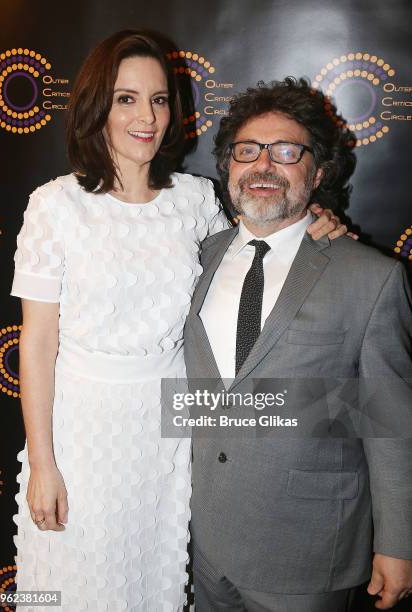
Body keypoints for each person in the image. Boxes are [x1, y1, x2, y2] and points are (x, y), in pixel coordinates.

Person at [10, 32, 345, 612]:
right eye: (126, 99)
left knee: (150, 582)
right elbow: (37, 345)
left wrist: (316, 220)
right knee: (65, 587)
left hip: (168, 436)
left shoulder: (195, 200)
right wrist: (43, 463)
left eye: (160, 99)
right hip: (81, 434)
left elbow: (261, 247)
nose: (147, 116)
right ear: (97, 107)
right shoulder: (55, 206)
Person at [184, 77, 412, 612]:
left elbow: (391, 426)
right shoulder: (194, 257)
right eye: (247, 151)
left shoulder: (371, 279)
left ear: (317, 171)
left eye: (286, 152)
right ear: (228, 167)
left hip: (309, 550)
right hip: (205, 545)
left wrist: (398, 543)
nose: (263, 165)